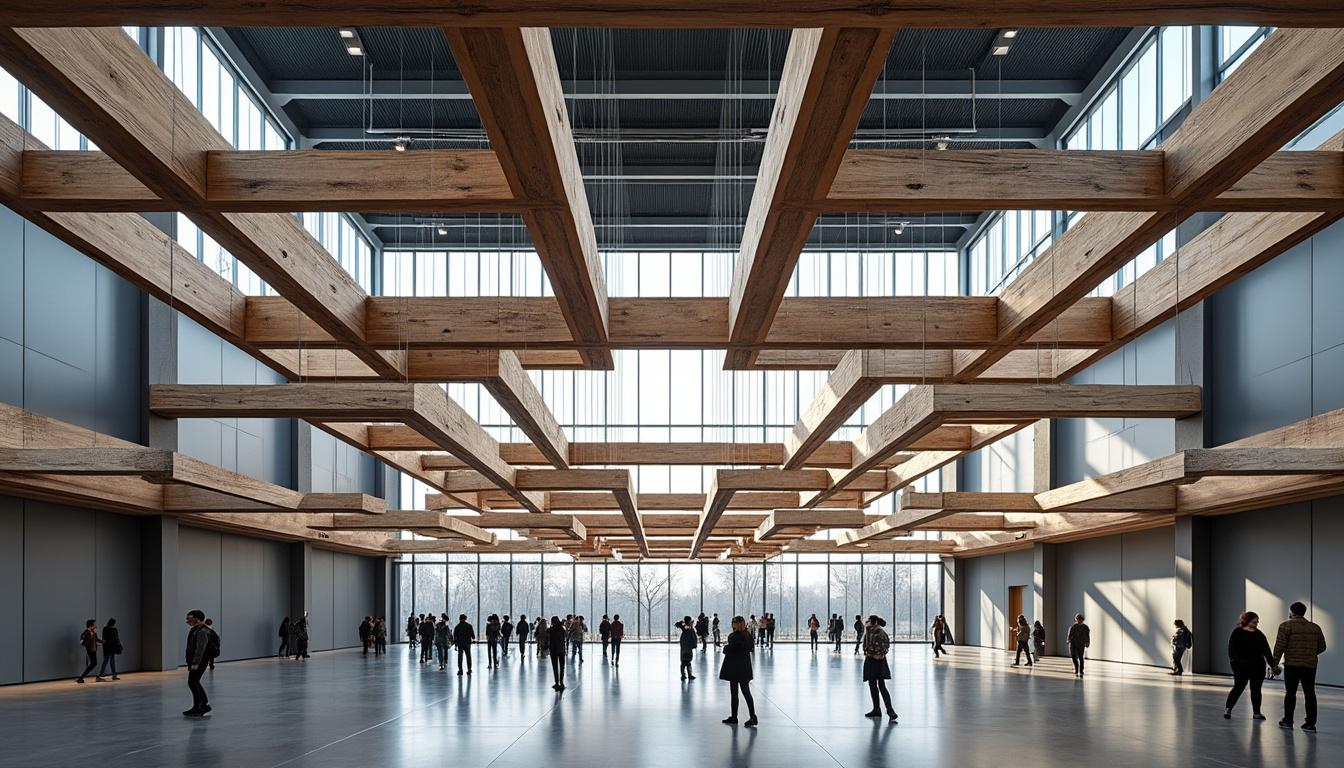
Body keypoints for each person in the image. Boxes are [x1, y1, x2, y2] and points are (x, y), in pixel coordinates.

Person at [1272, 601, 1327, 732]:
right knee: (1310, 693)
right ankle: (1310, 724)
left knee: (1290, 693)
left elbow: (1280, 646)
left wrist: (1274, 664)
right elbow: (1322, 646)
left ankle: (1288, 721)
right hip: (1310, 664)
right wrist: (1310, 653)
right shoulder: (1315, 627)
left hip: (1292, 665)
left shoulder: (1285, 626)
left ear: (1291, 612)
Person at [1225, 611, 1277, 721]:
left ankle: (1257, 713)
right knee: (1238, 687)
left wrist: (1273, 665)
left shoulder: (1259, 635)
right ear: (1246, 621)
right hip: (1240, 667)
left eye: (1257, 622)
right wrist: (1234, 663)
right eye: (1254, 622)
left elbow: (1266, 651)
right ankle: (1228, 709)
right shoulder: (1237, 632)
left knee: (1256, 690)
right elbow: (1231, 650)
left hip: (1258, 666)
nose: (1256, 623)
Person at [719, 616, 758, 727]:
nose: (732, 624)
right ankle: (749, 716)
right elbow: (747, 648)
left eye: (734, 623)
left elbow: (733, 648)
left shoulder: (736, 636)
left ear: (738, 624)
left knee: (737, 693)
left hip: (736, 668)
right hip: (743, 667)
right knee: (744, 692)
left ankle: (740, 717)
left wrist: (726, 648)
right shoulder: (747, 635)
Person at [862, 615, 899, 722]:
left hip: (877, 660)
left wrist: (876, 654)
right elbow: (866, 645)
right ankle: (877, 709)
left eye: (869, 622)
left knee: (880, 685)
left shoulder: (880, 633)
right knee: (873, 685)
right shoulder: (869, 632)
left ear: (874, 622)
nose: (868, 624)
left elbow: (884, 646)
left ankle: (889, 710)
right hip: (872, 660)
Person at [183, 610, 216, 716]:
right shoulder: (195, 630)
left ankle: (201, 706)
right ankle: (200, 705)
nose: (187, 620)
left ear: (197, 619)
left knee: (193, 682)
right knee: (193, 682)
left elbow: (200, 649)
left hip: (199, 661)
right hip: (195, 661)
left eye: (189, 618)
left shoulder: (202, 631)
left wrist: (196, 662)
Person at [76, 619, 103, 683]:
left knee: (93, 664)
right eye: (94, 624)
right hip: (90, 650)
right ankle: (81, 678)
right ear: (91, 625)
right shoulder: (86, 632)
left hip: (94, 650)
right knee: (93, 664)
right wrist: (88, 644)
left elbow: (96, 639)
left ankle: (81, 678)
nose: (95, 625)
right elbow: (82, 642)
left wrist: (103, 641)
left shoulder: (93, 632)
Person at [547, 616, 567, 690]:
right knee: (562, 667)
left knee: (555, 667)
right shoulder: (562, 629)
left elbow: (547, 632)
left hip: (553, 650)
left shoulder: (551, 629)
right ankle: (561, 682)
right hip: (561, 650)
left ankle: (556, 682)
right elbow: (565, 636)